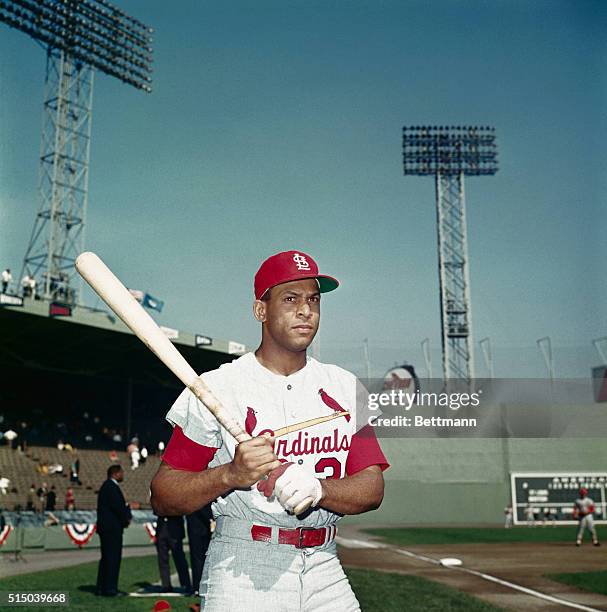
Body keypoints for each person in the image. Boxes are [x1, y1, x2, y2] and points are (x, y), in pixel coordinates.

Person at [151, 250, 389, 610]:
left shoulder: (344, 386)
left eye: (313, 300)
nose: (306, 310)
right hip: (244, 566)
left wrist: (318, 489)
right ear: (261, 310)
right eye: (290, 299)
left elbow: (372, 488)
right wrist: (230, 474)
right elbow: (163, 495)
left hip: (325, 566)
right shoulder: (219, 386)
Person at [96, 464, 132, 597]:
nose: (123, 475)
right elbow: (118, 508)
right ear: (115, 474)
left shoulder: (106, 487)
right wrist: (126, 517)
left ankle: (102, 587)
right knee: (113, 558)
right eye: (121, 472)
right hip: (112, 529)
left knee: (106, 558)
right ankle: (110, 588)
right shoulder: (111, 487)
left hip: (106, 528)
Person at [155, 515, 192, 593]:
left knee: (179, 558)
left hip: (175, 527)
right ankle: (166, 585)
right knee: (163, 559)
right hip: (162, 527)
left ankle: (185, 584)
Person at [186, 504, 213, 596]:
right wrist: (211, 518)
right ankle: (198, 586)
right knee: (200, 559)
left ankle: (198, 586)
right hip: (200, 528)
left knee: (197, 558)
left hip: (197, 527)